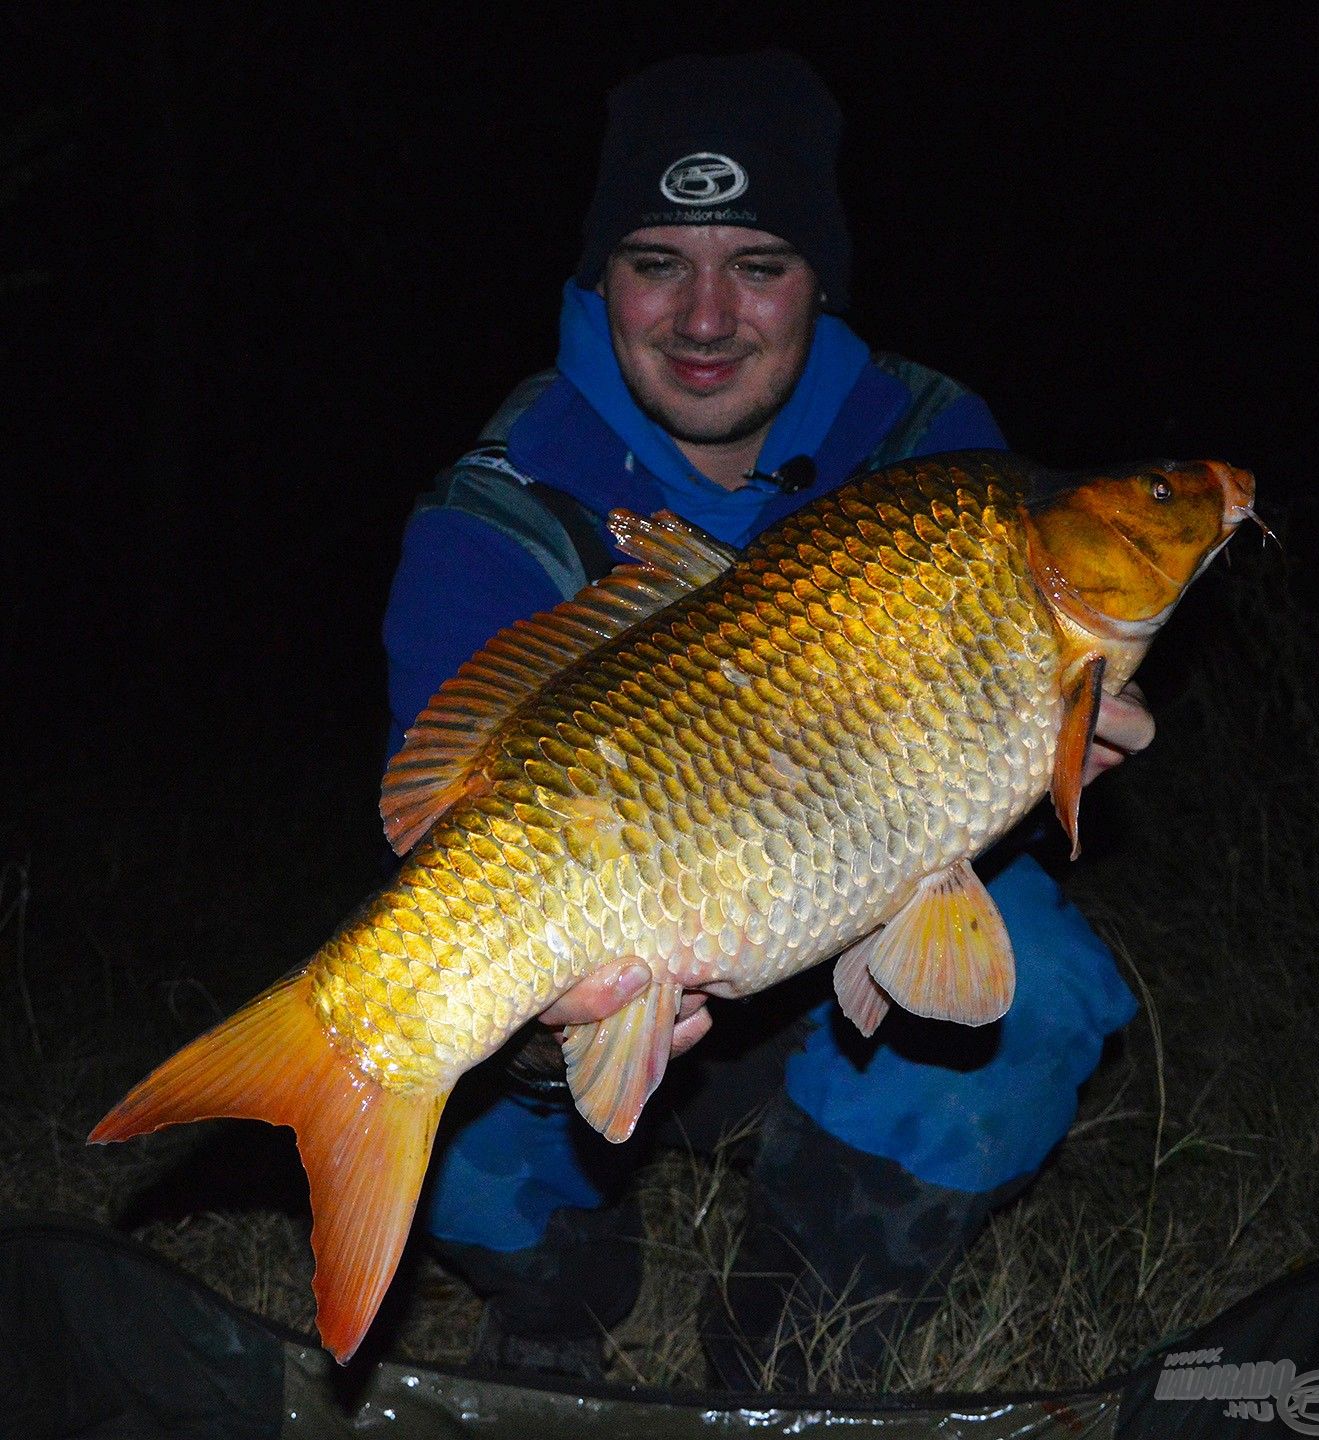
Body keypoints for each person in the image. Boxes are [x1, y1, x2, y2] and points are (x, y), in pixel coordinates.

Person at [382, 50, 1152, 1388]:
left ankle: (791, 1333)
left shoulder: (929, 452)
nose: (703, 317)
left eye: (758, 264)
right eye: (654, 261)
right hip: (606, 955)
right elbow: (442, 832)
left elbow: (954, 813)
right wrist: (530, 1029)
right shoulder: (490, 519)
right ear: (595, 282)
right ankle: (564, 1303)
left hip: (836, 938)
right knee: (427, 1084)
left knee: (1040, 991)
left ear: (821, 283)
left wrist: (1032, 766)